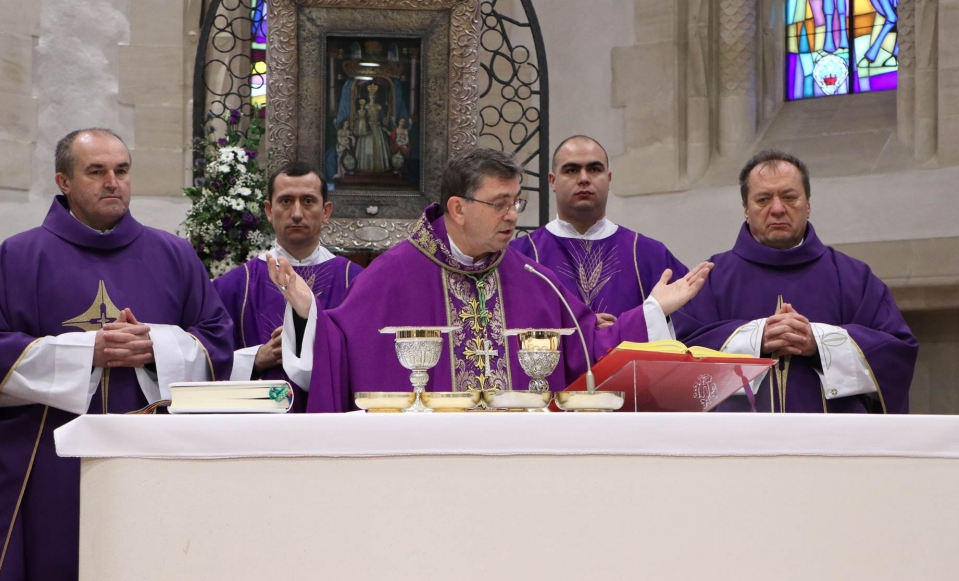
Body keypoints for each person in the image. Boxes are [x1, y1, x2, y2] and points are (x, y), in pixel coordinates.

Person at [0, 128, 233, 580]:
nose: (113, 182)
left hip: (151, 456)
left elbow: (217, 340)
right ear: (63, 181)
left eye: (122, 171)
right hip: (44, 460)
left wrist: (157, 347)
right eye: (96, 171)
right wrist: (88, 352)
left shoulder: (174, 255)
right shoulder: (19, 256)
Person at [267, 149, 711, 412]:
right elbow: (341, 348)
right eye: (500, 203)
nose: (514, 214)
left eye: (517, 201)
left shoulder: (531, 277)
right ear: (458, 209)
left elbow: (589, 346)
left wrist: (654, 311)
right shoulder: (394, 274)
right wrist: (309, 313)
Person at [673, 150, 918, 413]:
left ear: (808, 204)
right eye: (763, 199)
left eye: (789, 197)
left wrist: (820, 342)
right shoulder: (710, 279)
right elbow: (677, 358)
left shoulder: (854, 277)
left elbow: (897, 353)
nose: (777, 209)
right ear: (746, 209)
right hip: (738, 444)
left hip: (833, 443)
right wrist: (755, 339)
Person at [213, 162, 363, 411]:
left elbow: (369, 357)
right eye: (285, 201)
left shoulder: (355, 281)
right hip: (254, 427)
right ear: (269, 210)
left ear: (325, 211)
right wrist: (255, 359)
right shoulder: (234, 286)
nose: (296, 213)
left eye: (307, 201)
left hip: (332, 422)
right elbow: (207, 358)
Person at [509, 135, 690, 337]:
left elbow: (690, 327)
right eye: (571, 170)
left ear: (609, 178)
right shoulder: (519, 256)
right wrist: (583, 327)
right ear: (553, 181)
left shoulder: (650, 255)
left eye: (594, 169)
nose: (584, 178)